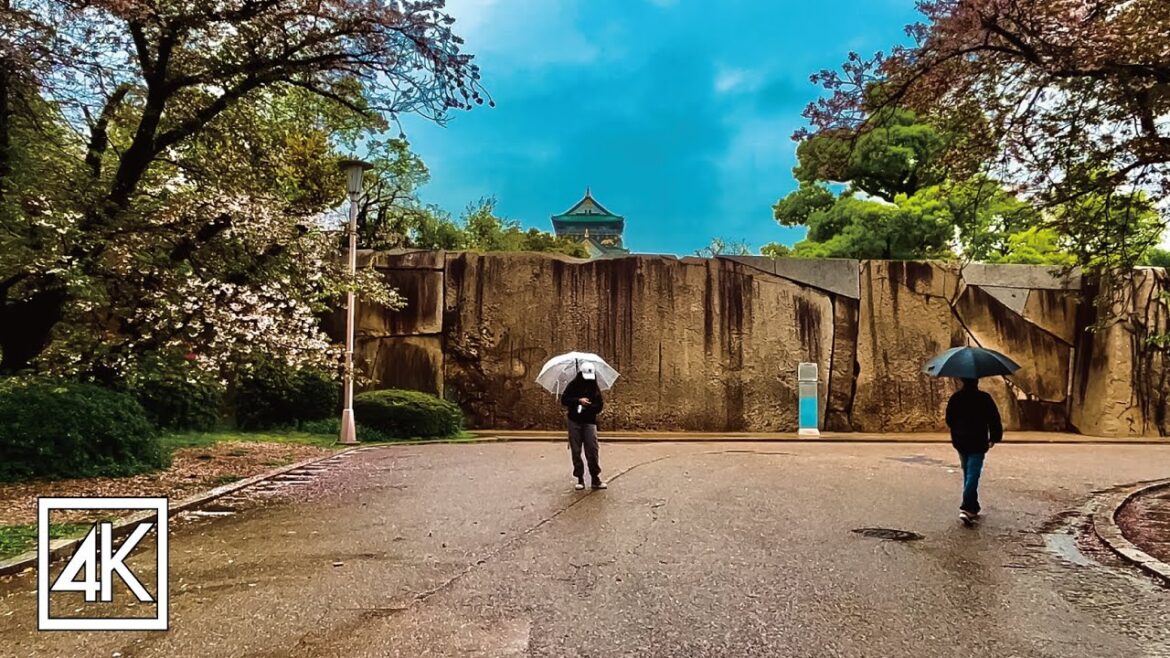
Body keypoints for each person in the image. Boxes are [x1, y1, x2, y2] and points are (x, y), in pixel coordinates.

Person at [945, 377, 1002, 524]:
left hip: (961, 440)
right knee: (973, 474)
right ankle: (967, 508)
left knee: (968, 473)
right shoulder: (984, 398)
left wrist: (958, 430)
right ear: (977, 382)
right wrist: (994, 437)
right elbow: (994, 419)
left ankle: (973, 506)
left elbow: (949, 419)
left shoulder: (956, 398)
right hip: (977, 440)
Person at [560, 364, 606, 491]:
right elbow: (564, 400)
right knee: (576, 450)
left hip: (589, 421)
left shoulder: (594, 388)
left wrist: (588, 406)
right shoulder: (573, 385)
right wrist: (578, 401)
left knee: (592, 449)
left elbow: (599, 406)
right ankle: (579, 477)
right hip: (574, 421)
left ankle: (595, 477)